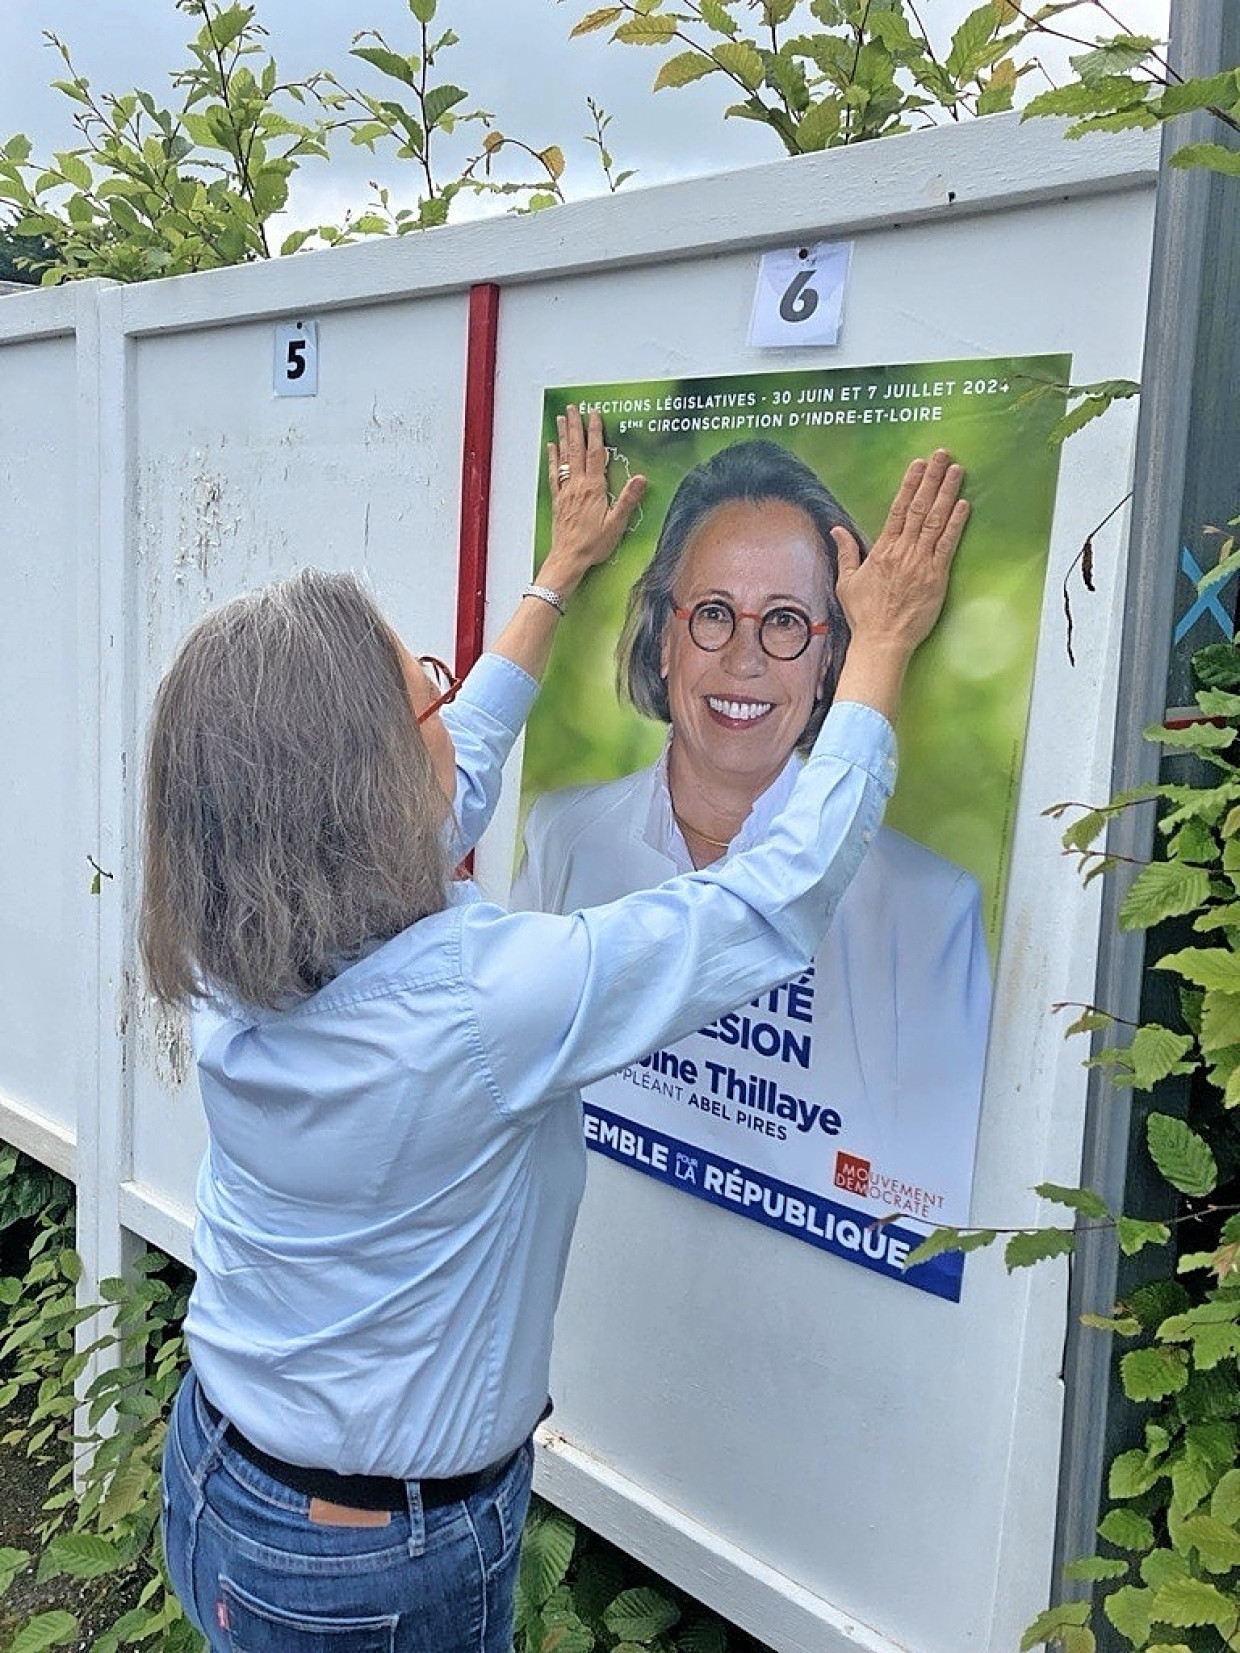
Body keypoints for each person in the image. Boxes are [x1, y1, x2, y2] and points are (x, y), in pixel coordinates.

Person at [144, 406, 968, 1653]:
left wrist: (558, 570)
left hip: (221, 1472)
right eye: (418, 685)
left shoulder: (242, 929)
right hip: (370, 1563)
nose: (442, 694)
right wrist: (877, 655)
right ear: (364, 777)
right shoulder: (475, 1004)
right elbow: (762, 902)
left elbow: (452, 768)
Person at [514, 441, 990, 1231]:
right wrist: (888, 645)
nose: (744, 657)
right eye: (711, 613)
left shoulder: (932, 909)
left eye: (785, 621)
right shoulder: (561, 833)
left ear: (830, 653)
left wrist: (560, 569)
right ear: (663, 642)